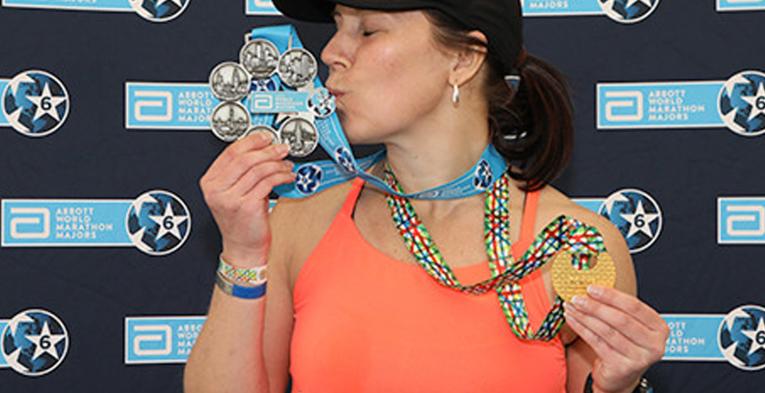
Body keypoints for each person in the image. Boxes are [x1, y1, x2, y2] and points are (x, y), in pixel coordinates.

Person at [184, 1, 669, 392]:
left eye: (368, 31)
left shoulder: (575, 246)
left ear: (463, 59)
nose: (331, 51)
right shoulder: (299, 224)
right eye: (338, 25)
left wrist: (617, 390)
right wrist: (243, 252)